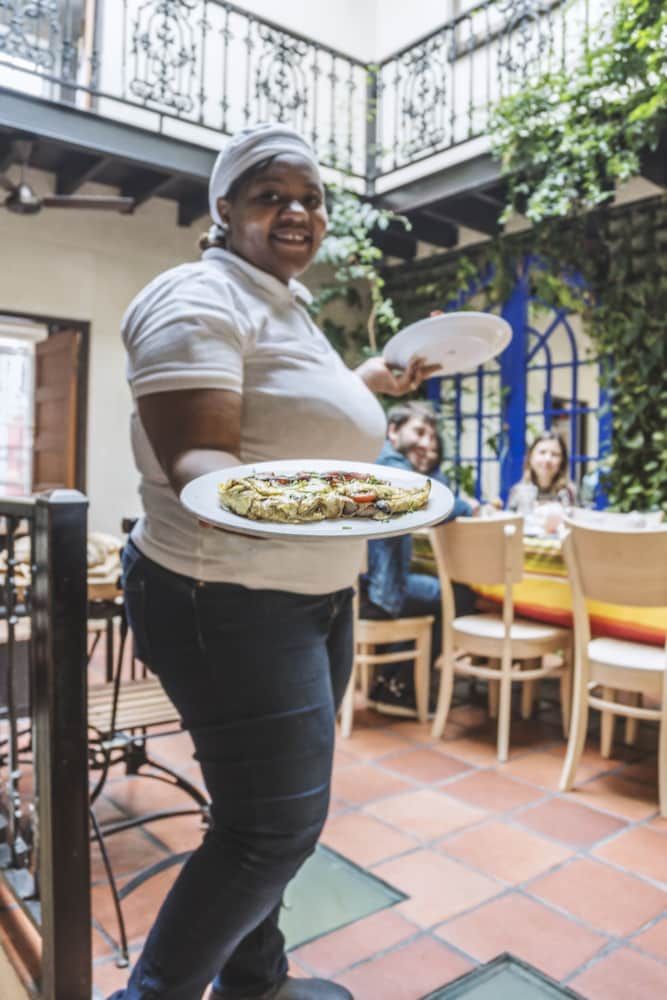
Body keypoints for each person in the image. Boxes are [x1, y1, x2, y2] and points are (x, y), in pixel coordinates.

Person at [111, 123, 436, 1000]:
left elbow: (285, 412)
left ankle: (254, 982)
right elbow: (201, 467)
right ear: (223, 208)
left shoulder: (281, 302)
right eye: (271, 196)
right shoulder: (194, 297)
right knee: (273, 830)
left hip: (311, 591)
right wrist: (357, 503)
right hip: (226, 594)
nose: (297, 212)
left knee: (255, 815)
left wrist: (369, 380)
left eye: (311, 199)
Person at [359, 401, 478, 712]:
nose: (426, 442)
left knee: (443, 593)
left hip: (361, 588)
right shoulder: (389, 465)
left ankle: (389, 681)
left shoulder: (382, 463)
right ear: (393, 431)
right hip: (376, 593)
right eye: (419, 432)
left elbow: (432, 490)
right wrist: (471, 507)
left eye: (432, 437)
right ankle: (399, 685)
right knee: (458, 597)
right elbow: (432, 500)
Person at [507, 430, 577, 511]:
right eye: (542, 452)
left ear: (562, 461)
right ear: (530, 457)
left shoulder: (570, 492)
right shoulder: (518, 491)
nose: (547, 459)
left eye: (554, 454)